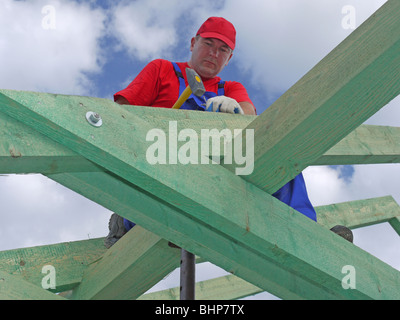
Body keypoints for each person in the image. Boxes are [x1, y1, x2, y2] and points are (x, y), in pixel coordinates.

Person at [104, 17, 352, 248]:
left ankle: (308, 236)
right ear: (193, 43)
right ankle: (125, 220)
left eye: (222, 49)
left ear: (230, 57)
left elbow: (250, 118)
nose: (213, 53)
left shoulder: (231, 88)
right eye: (208, 43)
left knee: (279, 157)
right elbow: (120, 117)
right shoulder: (162, 70)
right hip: (161, 166)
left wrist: (236, 114)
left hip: (213, 175)